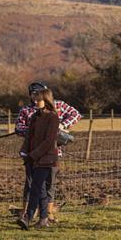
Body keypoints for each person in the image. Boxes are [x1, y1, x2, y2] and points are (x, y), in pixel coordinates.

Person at [15, 82, 81, 223]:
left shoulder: (57, 109)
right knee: (32, 185)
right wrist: (32, 134)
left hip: (50, 155)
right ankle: (29, 214)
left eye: (38, 94)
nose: (35, 98)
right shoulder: (28, 112)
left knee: (48, 185)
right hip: (33, 154)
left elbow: (76, 114)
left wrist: (62, 125)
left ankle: (45, 215)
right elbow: (19, 128)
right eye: (33, 94)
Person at [18, 88, 60, 230]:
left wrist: (33, 154)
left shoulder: (53, 117)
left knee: (35, 188)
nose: (35, 102)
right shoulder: (35, 116)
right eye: (34, 99)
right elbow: (29, 137)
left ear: (46, 100)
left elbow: (49, 141)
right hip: (33, 158)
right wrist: (24, 151)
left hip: (46, 159)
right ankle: (43, 219)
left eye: (38, 99)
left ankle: (27, 218)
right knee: (40, 190)